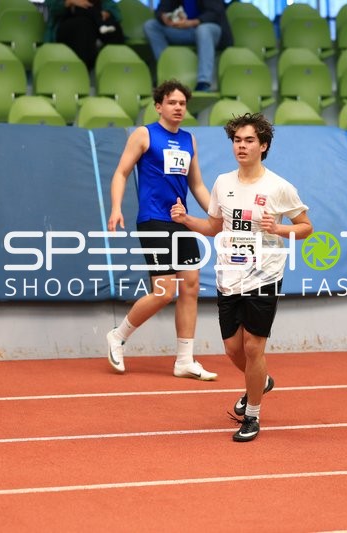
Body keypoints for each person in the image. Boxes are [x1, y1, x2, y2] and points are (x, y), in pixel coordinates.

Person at [171, 113, 313, 442]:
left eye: (249, 140)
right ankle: (260, 382)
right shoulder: (223, 183)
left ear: (263, 146)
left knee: (253, 348)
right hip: (229, 275)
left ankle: (252, 415)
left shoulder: (279, 186)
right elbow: (213, 227)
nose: (242, 146)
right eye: (237, 140)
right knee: (233, 349)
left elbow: (306, 227)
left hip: (265, 272)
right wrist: (185, 219)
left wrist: (278, 228)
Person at [106, 79, 217, 381]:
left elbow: (196, 185)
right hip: (154, 219)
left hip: (180, 220)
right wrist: (116, 208)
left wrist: (217, 213)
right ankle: (118, 335)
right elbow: (121, 172)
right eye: (172, 102)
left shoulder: (188, 140)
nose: (179, 107)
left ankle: (184, 360)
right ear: (158, 106)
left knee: (191, 285)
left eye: (182, 103)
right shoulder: (144, 135)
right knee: (164, 291)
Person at [143, 0, 233, 92]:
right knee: (151, 25)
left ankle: (204, 82)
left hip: (210, 30)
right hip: (185, 31)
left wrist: (191, 23)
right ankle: (168, 71)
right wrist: (165, 18)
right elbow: (161, 9)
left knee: (203, 30)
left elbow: (214, 13)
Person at [45, 0, 125, 70]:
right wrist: (70, 2)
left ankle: (114, 72)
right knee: (83, 27)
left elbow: (114, 10)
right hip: (69, 23)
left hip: (95, 21)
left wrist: (107, 13)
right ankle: (81, 73)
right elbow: (52, 6)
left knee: (115, 30)